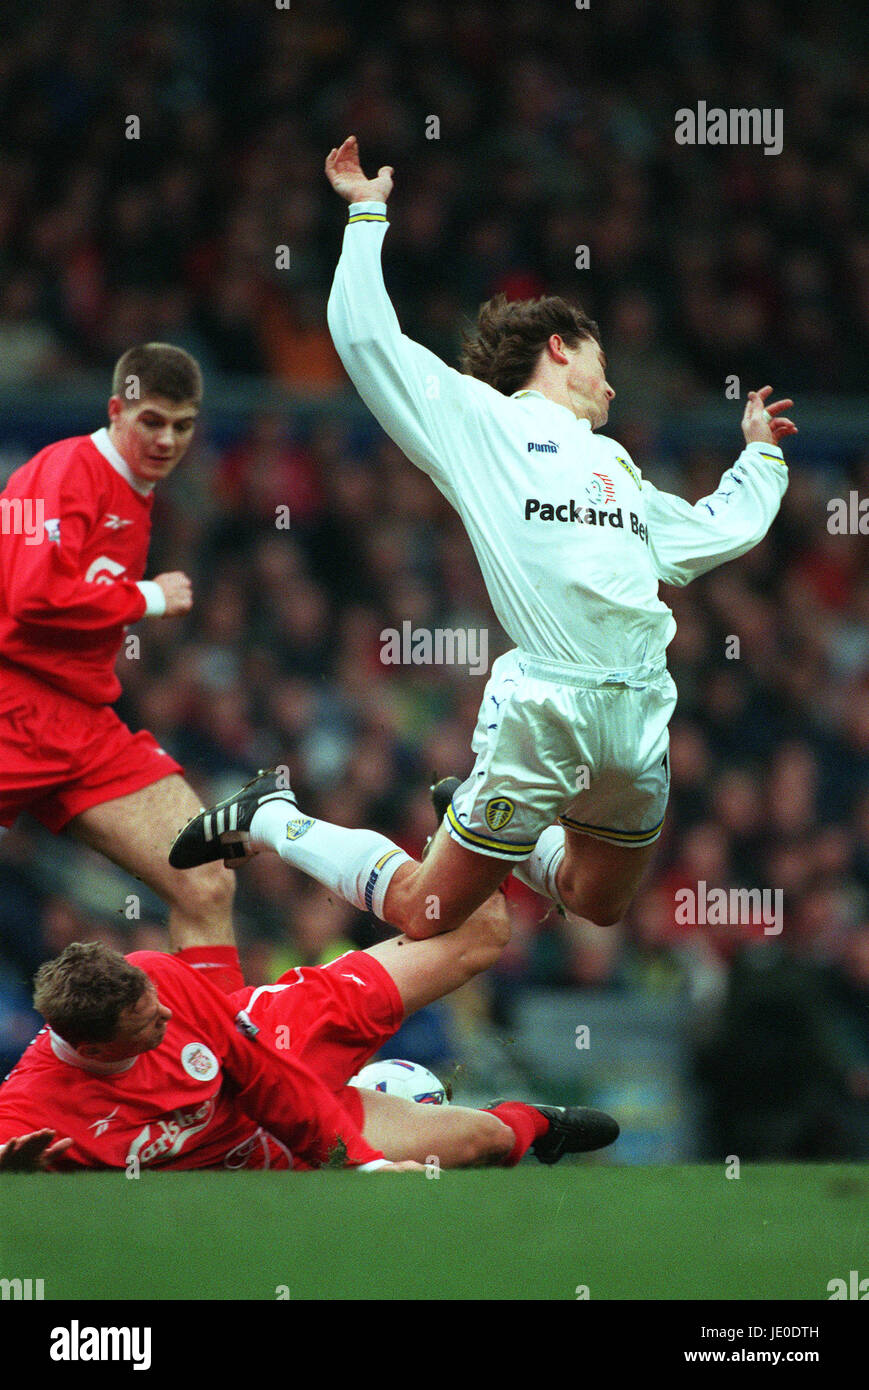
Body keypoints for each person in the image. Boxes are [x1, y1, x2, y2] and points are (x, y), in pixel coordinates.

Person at [169, 136, 797, 948]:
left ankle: (488, 820)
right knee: (425, 914)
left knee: (598, 901)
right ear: (560, 348)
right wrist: (366, 212)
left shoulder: (617, 468)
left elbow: (717, 529)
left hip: (642, 707)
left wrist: (762, 457)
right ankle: (274, 818)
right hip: (548, 707)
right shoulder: (481, 423)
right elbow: (366, 342)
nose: (613, 385)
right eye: (601, 360)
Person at [0, 889, 619, 1171]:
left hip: (281, 1038)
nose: (166, 1017)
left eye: (158, 1005)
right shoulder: (26, 1112)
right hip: (257, 1146)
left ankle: (461, 840)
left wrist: (362, 1166)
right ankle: (539, 1123)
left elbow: (263, 1077)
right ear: (93, 1048)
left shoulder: (155, 975)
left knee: (480, 939)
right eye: (146, 1026)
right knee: (480, 1140)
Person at [0, 343, 241, 990]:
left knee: (207, 875)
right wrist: (150, 597)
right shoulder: (64, 471)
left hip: (82, 723)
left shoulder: (135, 492)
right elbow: (31, 597)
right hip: (11, 706)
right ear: (116, 410)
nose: (167, 439)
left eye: (183, 425)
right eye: (152, 421)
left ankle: (215, 1068)